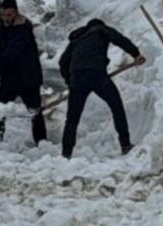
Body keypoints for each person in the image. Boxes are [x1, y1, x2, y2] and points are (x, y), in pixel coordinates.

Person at [58, 19, 145, 159]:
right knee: (116, 106)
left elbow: (63, 62)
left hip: (77, 78)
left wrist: (70, 80)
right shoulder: (100, 29)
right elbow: (118, 38)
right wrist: (136, 53)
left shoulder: (76, 40)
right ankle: (125, 144)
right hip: (96, 74)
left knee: (72, 118)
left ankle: (66, 153)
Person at [0, 0, 46, 145]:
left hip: (27, 79)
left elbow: (10, 55)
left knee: (35, 112)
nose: (6, 18)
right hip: (10, 77)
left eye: (9, 15)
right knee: (0, 111)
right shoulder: (4, 27)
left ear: (16, 13)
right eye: (3, 14)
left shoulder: (22, 30)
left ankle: (42, 144)